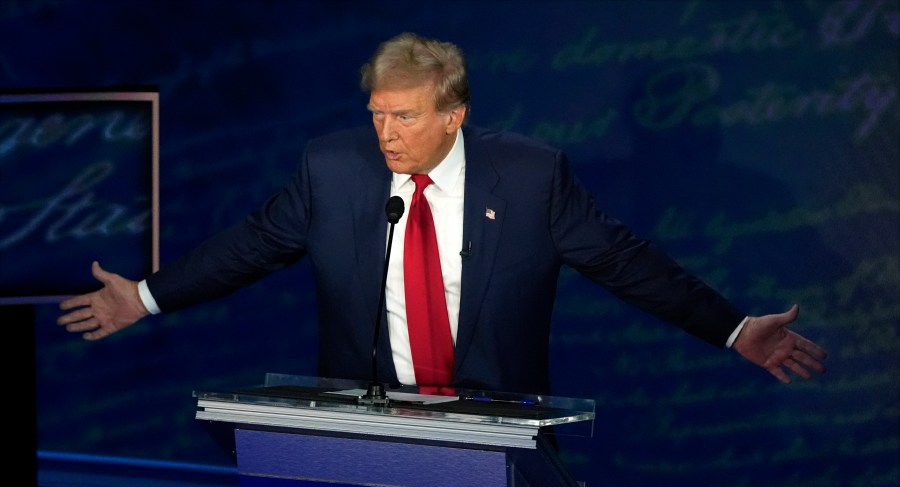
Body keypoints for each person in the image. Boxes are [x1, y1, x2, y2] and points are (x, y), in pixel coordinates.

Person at [57, 32, 826, 395]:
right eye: (376, 116)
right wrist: (147, 296)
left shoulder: (531, 179)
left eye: (405, 118)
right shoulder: (333, 169)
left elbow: (628, 263)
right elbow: (250, 246)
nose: (385, 134)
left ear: (453, 115)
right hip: (363, 417)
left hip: (491, 424)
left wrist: (731, 329)